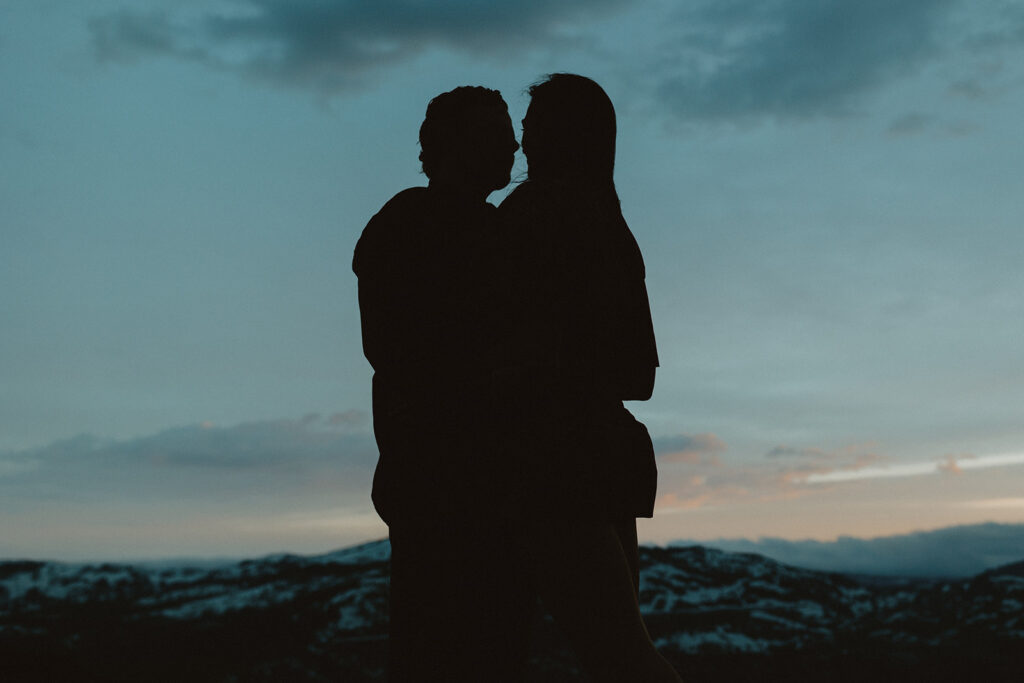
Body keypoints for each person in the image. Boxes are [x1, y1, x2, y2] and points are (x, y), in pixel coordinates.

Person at [496, 73, 682, 682]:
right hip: (596, 456)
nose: (522, 140)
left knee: (620, 658)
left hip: (554, 463)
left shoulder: (537, 215)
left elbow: (629, 369)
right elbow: (640, 372)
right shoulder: (607, 221)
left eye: (534, 125)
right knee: (621, 653)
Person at [352, 86, 532, 682]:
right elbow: (408, 351)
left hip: (467, 480)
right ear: (450, 147)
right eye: (497, 134)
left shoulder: (475, 226)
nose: (513, 146)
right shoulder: (416, 226)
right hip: (446, 481)